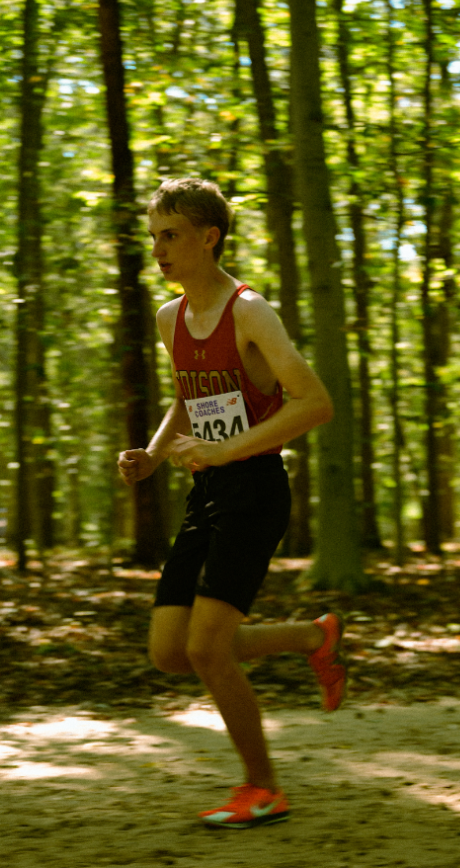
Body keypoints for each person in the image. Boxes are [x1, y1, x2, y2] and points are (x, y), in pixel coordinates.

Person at [116, 177, 345, 830]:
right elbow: (191, 396)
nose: (158, 249)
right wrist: (156, 455)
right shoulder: (171, 318)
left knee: (209, 648)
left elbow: (315, 402)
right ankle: (311, 636)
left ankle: (263, 786)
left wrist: (229, 449)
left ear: (208, 236)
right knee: (171, 649)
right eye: (154, 235)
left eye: (171, 235)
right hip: (209, 490)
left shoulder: (250, 312)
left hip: (255, 490)